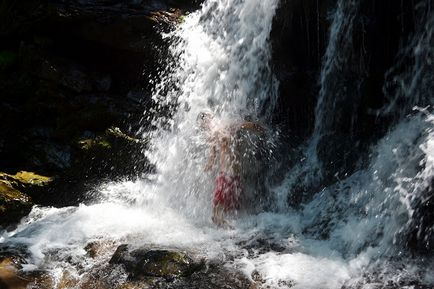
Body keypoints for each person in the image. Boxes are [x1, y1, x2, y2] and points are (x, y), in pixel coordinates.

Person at [197, 112, 265, 228]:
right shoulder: (219, 131)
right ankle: (236, 235)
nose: (205, 127)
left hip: (226, 178)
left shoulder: (222, 128)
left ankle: (231, 235)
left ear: (208, 120)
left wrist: (258, 128)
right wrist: (258, 128)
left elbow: (211, 163)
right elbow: (211, 161)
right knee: (233, 212)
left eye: (204, 124)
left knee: (217, 215)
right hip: (233, 177)